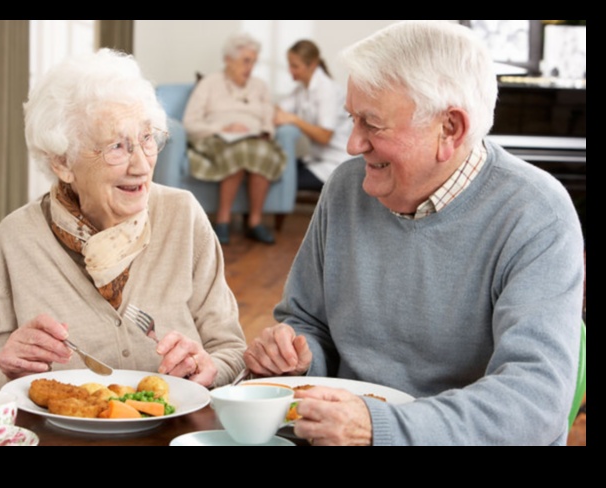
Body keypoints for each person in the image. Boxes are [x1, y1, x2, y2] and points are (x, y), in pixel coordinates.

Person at [244, 21, 585, 445]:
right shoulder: (345, 188)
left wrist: (380, 429)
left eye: (372, 123)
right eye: (353, 119)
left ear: (450, 129)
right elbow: (306, 320)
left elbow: (536, 403)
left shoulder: (537, 213)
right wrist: (296, 356)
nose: (352, 144)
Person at [0, 48, 246, 391]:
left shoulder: (182, 216)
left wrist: (210, 369)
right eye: (117, 146)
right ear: (62, 163)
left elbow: (231, 351)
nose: (141, 165)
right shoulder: (17, 238)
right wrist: (12, 376)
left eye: (147, 139)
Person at [183, 32, 286, 245]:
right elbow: (190, 122)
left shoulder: (260, 86)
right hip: (217, 139)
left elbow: (268, 120)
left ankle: (255, 222)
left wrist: (263, 132)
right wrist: (223, 128)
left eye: (253, 62)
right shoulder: (209, 83)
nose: (250, 67)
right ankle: (223, 220)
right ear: (228, 60)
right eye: (246, 60)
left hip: (254, 140)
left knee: (260, 151)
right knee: (239, 150)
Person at [275, 40, 352, 192]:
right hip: (316, 159)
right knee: (275, 169)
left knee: (283, 180)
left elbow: (325, 136)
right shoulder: (302, 89)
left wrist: (294, 120)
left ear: (312, 65)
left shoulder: (326, 90)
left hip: (336, 162)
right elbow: (279, 111)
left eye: (295, 66)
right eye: (290, 65)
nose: (290, 70)